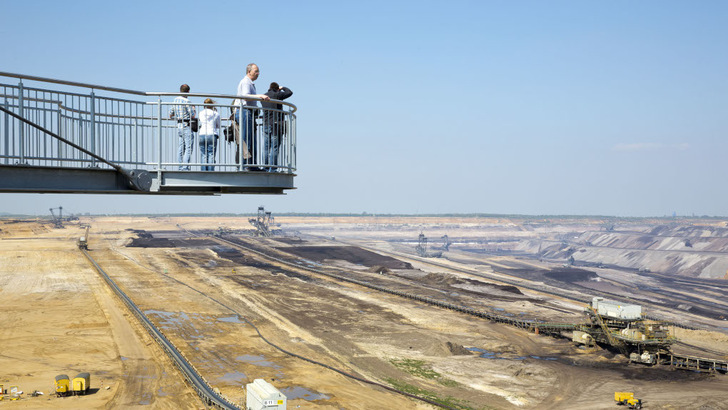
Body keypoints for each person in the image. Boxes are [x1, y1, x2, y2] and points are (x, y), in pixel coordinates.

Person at [234, 63, 269, 171]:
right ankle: (246, 165)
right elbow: (246, 96)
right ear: (249, 71)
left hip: (248, 112)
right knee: (247, 139)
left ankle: (252, 165)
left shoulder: (250, 83)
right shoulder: (246, 82)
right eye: (256, 71)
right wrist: (259, 96)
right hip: (244, 111)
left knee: (251, 139)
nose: (258, 74)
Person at [261, 82, 293, 172]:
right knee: (274, 147)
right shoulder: (277, 95)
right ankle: (273, 168)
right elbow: (289, 92)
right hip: (276, 124)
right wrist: (282, 87)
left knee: (266, 147)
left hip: (266, 123)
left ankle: (265, 167)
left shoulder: (263, 96)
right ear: (277, 88)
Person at [169, 84, 196, 170]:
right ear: (188, 91)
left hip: (179, 126)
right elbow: (192, 115)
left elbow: (171, 114)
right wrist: (194, 109)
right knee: (188, 148)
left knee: (181, 147)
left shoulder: (175, 100)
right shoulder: (187, 101)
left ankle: (180, 167)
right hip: (186, 125)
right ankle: (185, 167)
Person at [197, 98, 220, 171]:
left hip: (202, 133)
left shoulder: (200, 113)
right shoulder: (215, 113)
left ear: (204, 105)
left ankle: (203, 171)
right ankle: (211, 171)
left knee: (203, 154)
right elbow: (218, 125)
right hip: (212, 134)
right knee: (211, 154)